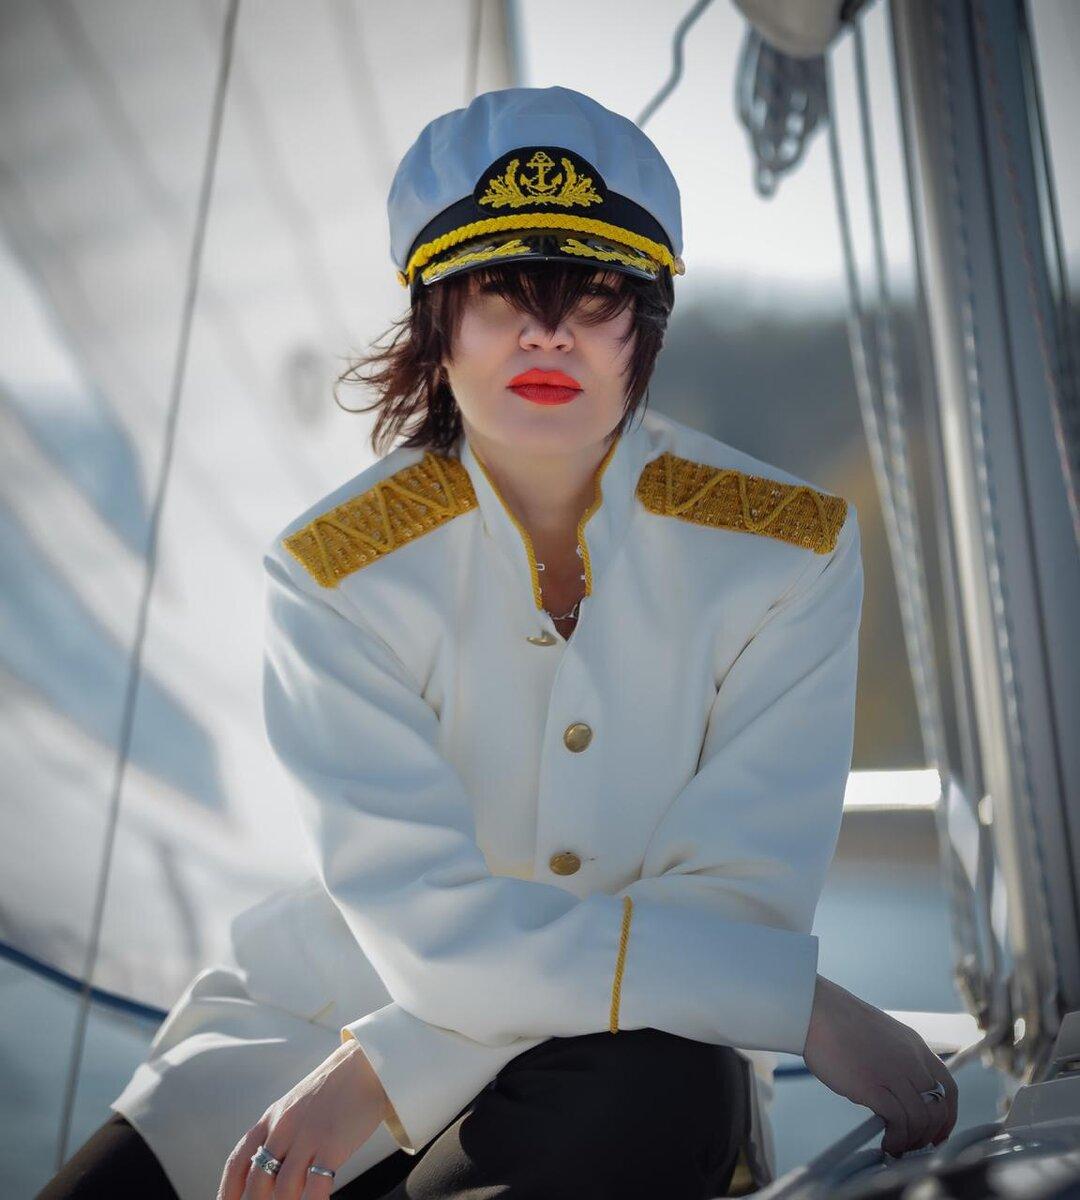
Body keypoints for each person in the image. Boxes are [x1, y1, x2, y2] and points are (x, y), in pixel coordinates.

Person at [37, 84, 956, 1200]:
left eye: (595, 292)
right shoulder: (334, 571)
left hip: (622, 1069)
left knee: (656, 1085)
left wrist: (385, 1071)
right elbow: (436, 934)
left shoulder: (788, 553)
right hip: (293, 1049)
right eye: (497, 290)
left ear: (649, 319)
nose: (546, 331)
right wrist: (800, 1003)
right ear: (435, 319)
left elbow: (734, 903)